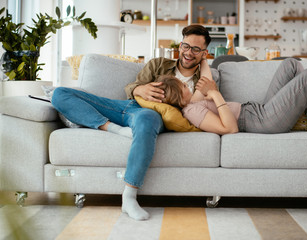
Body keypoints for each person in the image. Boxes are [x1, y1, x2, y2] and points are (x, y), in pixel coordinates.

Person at [51, 24, 213, 221]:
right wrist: (139, 90)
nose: (188, 53)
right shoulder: (158, 64)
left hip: (149, 116)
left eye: (196, 49)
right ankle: (111, 128)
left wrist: (205, 67)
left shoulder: (204, 81)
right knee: (60, 93)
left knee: (147, 118)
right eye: (186, 46)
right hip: (125, 107)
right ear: (180, 45)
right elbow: (132, 87)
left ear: (204, 52)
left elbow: (204, 108)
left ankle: (128, 197)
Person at [156, 58, 307, 135]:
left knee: (291, 65)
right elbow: (230, 128)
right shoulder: (192, 111)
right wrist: (215, 94)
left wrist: (203, 61)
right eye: (183, 84)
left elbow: (206, 77)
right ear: (177, 93)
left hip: (259, 110)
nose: (187, 83)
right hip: (263, 121)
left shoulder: (192, 102)